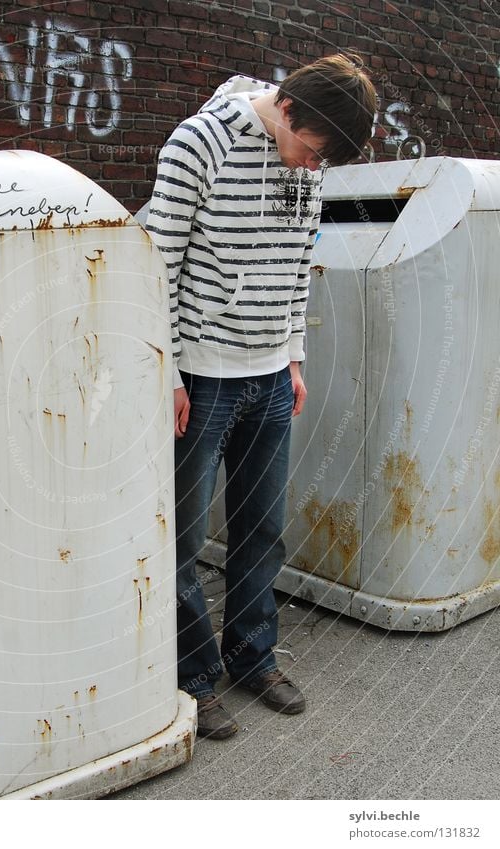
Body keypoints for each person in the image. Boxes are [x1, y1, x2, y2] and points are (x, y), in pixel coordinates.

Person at [145, 54, 376, 739]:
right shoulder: (198, 143)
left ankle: (252, 655)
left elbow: (299, 255)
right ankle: (193, 676)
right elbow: (156, 263)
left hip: (273, 376)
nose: (311, 169)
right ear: (289, 109)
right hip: (204, 377)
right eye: (309, 152)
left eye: (322, 163)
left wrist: (294, 358)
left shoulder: (314, 147)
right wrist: (170, 375)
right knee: (182, 541)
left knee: (260, 530)